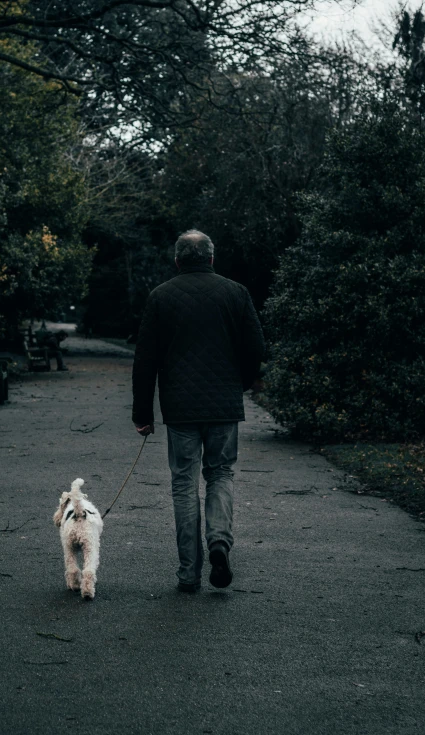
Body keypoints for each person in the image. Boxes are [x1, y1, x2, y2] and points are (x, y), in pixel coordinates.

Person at [132, 229, 265, 592]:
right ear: (211, 258)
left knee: (184, 484)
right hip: (223, 404)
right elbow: (256, 347)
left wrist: (142, 413)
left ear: (177, 261)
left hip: (180, 408)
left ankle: (188, 574)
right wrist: (240, 384)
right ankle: (219, 542)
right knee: (220, 474)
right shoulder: (236, 293)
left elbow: (145, 360)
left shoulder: (160, 297)